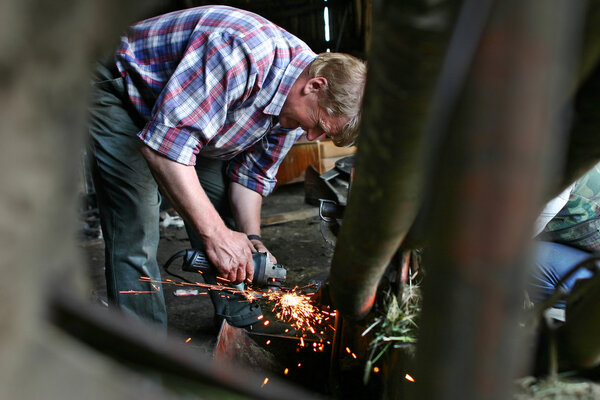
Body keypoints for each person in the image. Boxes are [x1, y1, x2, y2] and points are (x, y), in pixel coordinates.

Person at [88, 5, 367, 331]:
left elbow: (251, 175)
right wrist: (216, 235)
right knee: (136, 224)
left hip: (189, 113)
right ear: (315, 85)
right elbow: (164, 150)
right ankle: (142, 351)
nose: (311, 136)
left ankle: (237, 320)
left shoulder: (297, 100)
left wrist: (252, 240)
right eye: (319, 125)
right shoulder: (240, 51)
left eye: (324, 135)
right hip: (125, 88)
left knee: (220, 214)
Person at [528, 162, 600, 307]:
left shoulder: (564, 170)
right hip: (584, 253)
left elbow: (521, 233)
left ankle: (551, 318)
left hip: (594, 274)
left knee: (528, 258)